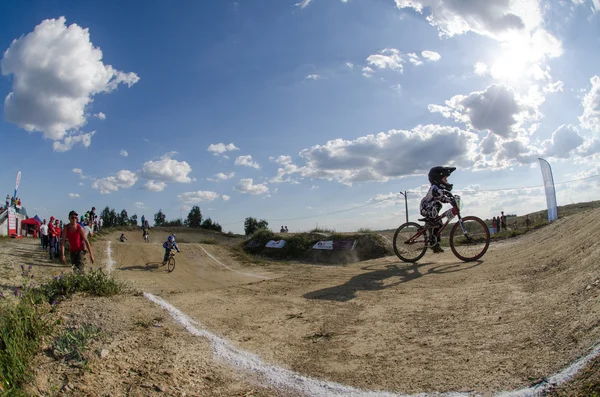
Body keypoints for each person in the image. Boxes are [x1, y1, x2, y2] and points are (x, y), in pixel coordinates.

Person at [420, 166, 456, 253]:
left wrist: (452, 198)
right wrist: (449, 199)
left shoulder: (439, 189)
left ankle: (435, 244)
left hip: (431, 209)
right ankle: (429, 222)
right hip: (425, 207)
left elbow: (443, 198)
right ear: (438, 178)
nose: (446, 181)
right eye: (445, 178)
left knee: (440, 224)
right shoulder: (435, 188)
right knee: (436, 204)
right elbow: (440, 196)